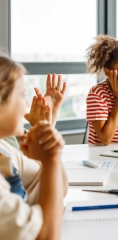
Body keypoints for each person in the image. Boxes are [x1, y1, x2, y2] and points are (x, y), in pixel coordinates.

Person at [0, 54, 68, 239]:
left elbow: (58, 187)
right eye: (21, 96)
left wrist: (44, 127)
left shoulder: (4, 151)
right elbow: (46, 236)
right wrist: (51, 157)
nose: (26, 105)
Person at [3, 73, 66, 150]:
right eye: (21, 96)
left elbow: (34, 149)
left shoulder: (11, 132)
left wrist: (50, 117)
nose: (27, 104)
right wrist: (41, 127)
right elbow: (39, 159)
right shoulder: (4, 147)